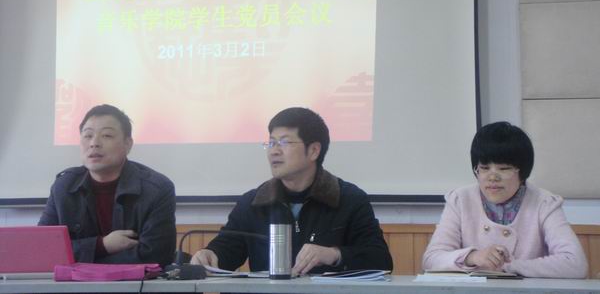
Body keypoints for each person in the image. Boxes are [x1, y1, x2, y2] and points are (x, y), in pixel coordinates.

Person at [191, 107, 393, 275]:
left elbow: (381, 260)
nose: (274, 151)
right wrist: (210, 255)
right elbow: (227, 248)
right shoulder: (253, 202)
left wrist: (334, 254)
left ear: (313, 150)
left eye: (284, 142)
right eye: (271, 143)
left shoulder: (349, 199)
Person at [422, 121, 588, 278]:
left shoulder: (544, 203)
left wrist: (509, 266)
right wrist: (472, 257)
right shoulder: (460, 200)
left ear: (523, 172)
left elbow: (575, 264)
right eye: (484, 168)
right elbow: (431, 260)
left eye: (504, 168)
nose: (492, 177)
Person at [39, 104, 176, 267]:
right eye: (88, 135)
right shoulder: (63, 187)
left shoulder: (157, 189)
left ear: (128, 144)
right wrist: (102, 245)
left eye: (107, 135)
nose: (94, 143)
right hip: (74, 283)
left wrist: (83, 260)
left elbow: (157, 256)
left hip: (134, 283)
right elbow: (43, 248)